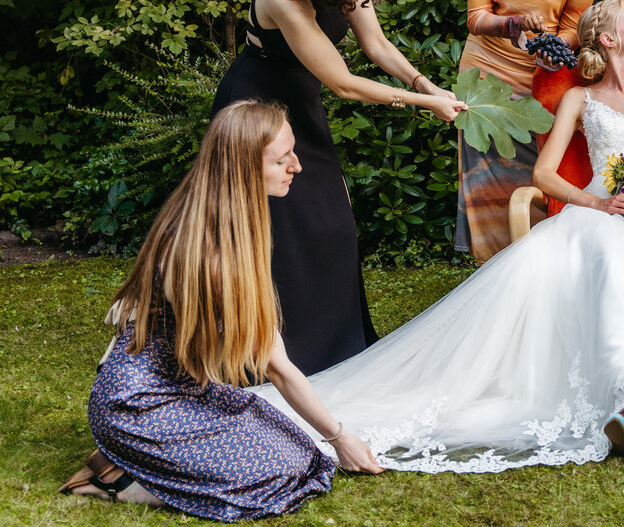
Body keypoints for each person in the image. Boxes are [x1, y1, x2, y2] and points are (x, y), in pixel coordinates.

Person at [253, 0, 624, 470]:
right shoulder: (580, 97)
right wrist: (600, 202)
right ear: (604, 37)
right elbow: (544, 175)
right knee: (607, 256)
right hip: (600, 209)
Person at [58, 100, 384, 520]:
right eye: (282, 158)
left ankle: (137, 464)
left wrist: (330, 440)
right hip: (136, 404)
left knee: (301, 452)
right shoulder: (209, 254)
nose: (297, 167)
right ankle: (119, 481)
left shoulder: (216, 216)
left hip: (183, 388)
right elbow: (277, 366)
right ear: (245, 167)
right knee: (280, 473)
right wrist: (341, 438)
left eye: (293, 152)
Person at [212, 0, 466, 375]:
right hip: (256, 111)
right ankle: (272, 356)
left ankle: (339, 351)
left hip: (299, 106)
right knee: (274, 232)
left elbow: (378, 46)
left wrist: (429, 86)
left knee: (334, 224)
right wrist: (422, 103)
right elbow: (344, 83)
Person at [456, 0, 599, 262]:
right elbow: (476, 17)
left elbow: (574, 29)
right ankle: (491, 274)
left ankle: (540, 272)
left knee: (540, 178)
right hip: (485, 78)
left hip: (543, 80)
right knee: (487, 182)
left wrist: (555, 52)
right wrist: (512, 24)